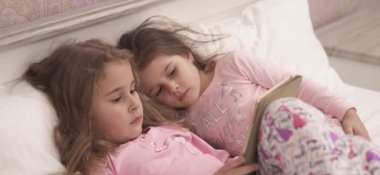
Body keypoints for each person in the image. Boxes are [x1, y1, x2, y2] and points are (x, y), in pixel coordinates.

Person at [24, 39, 380, 175]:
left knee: (283, 112)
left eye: (133, 90)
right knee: (339, 171)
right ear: (81, 114)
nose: (135, 103)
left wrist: (243, 165)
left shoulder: (169, 131)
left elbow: (223, 159)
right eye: (117, 98)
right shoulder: (98, 171)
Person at [118, 16, 371, 157]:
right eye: (158, 91)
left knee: (283, 116)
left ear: (186, 55)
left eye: (172, 72)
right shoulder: (186, 123)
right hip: (273, 162)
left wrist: (345, 111)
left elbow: (297, 85)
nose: (172, 87)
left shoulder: (232, 64)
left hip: (308, 129)